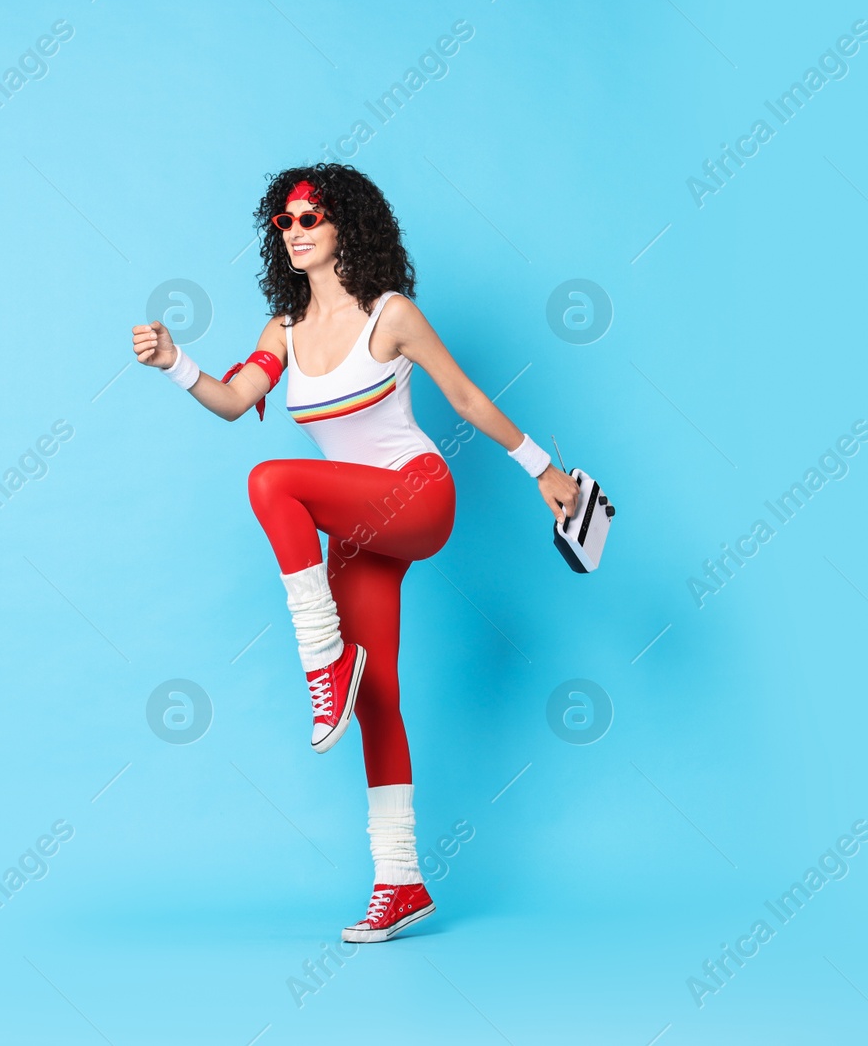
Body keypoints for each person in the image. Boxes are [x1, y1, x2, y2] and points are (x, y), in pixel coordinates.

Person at [131, 163, 578, 942]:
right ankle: (400, 881)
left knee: (274, 481)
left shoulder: (391, 314)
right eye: (285, 221)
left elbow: (465, 397)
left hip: (416, 494)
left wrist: (544, 467)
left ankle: (319, 657)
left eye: (312, 217)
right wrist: (177, 362)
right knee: (376, 698)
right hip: (355, 529)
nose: (296, 231)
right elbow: (237, 400)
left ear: (347, 225)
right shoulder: (284, 332)